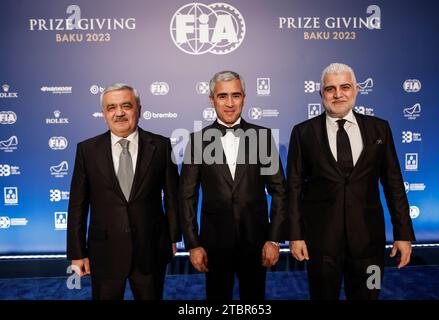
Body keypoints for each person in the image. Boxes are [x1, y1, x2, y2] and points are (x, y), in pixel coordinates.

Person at [287, 63, 415, 300]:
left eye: (345, 87)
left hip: (370, 244)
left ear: (356, 90)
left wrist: (403, 234)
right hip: (321, 244)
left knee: (370, 295)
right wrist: (295, 235)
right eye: (330, 89)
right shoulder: (303, 132)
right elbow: (294, 188)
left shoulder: (380, 129)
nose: (338, 94)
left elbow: (394, 184)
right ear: (321, 94)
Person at [179, 71, 287, 300]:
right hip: (213, 244)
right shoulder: (197, 141)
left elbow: (279, 191)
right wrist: (192, 244)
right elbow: (187, 197)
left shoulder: (263, 137)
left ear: (244, 98)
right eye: (222, 96)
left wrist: (274, 239)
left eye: (236, 95)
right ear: (211, 99)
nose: (229, 103)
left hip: (256, 242)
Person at [67, 83, 180, 300]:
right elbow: (77, 206)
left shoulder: (161, 146)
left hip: (151, 249)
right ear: (103, 113)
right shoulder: (87, 150)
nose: (119, 113)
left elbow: (173, 197)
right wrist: (77, 253)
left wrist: (173, 236)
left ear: (139, 109)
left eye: (126, 106)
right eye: (111, 107)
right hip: (104, 253)